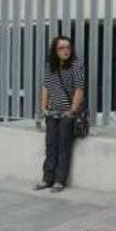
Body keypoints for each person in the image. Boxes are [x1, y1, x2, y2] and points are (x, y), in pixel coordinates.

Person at [33, 36, 86, 193]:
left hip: (67, 114)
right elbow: (46, 87)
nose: (65, 51)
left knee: (64, 147)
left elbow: (79, 89)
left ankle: (59, 180)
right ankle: (47, 178)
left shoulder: (76, 65)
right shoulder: (51, 66)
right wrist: (44, 109)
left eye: (68, 47)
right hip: (52, 112)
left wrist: (72, 112)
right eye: (61, 48)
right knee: (50, 146)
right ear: (55, 51)